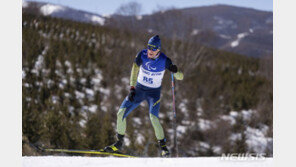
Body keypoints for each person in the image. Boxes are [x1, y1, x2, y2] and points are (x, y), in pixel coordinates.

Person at [103, 35, 183, 157]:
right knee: (120, 113)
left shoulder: (164, 60)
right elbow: (134, 69)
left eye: (153, 48)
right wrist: (132, 87)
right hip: (139, 90)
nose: (150, 50)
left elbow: (180, 77)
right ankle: (118, 144)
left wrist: (175, 71)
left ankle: (163, 148)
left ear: (158, 49)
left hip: (153, 93)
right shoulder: (142, 55)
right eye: (149, 47)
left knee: (153, 118)